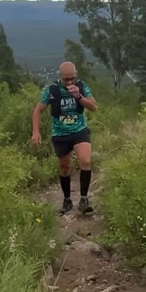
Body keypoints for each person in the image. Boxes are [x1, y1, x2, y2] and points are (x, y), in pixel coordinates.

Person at [31, 61, 97, 215]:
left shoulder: (81, 86)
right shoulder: (52, 90)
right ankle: (67, 200)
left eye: (72, 78)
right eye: (66, 79)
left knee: (85, 160)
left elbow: (94, 107)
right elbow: (38, 110)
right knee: (64, 167)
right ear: (60, 76)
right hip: (60, 133)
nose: (70, 82)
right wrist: (36, 132)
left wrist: (79, 96)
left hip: (79, 130)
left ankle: (84, 199)